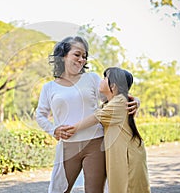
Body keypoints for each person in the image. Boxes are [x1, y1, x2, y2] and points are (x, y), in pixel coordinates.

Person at [35, 36, 139, 193]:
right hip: (67, 146)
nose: (81, 60)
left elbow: (114, 96)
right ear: (63, 56)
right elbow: (40, 115)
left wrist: (135, 100)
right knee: (58, 190)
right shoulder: (49, 87)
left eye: (84, 56)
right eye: (77, 55)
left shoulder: (91, 78)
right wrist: (53, 130)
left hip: (95, 144)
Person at [67, 67, 151, 193]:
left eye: (105, 78)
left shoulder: (119, 102)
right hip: (120, 152)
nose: (101, 81)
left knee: (128, 187)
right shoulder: (112, 102)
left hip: (127, 155)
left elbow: (93, 119)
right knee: (120, 186)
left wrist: (69, 130)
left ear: (114, 85)